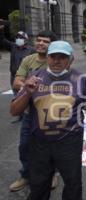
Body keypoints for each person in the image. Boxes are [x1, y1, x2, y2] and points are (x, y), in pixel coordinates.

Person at [10, 40, 86, 200]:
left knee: (73, 183)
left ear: (70, 59)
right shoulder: (35, 77)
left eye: (62, 57)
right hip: (39, 142)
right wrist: (28, 92)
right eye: (53, 56)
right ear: (47, 57)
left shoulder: (80, 79)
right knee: (39, 184)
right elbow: (14, 110)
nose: (57, 60)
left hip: (69, 141)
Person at [9, 30, 59, 192]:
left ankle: (52, 174)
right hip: (29, 112)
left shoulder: (57, 60)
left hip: (49, 113)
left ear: (52, 45)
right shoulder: (28, 60)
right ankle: (26, 175)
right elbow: (17, 81)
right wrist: (27, 85)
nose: (41, 44)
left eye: (45, 41)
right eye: (39, 40)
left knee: (50, 146)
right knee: (24, 145)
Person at [0, 19, 35, 96]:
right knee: (16, 95)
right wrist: (1, 30)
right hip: (13, 76)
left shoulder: (31, 50)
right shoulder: (13, 47)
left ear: (26, 40)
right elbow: (2, 40)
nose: (18, 39)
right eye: (17, 37)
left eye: (21, 37)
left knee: (26, 95)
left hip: (26, 77)